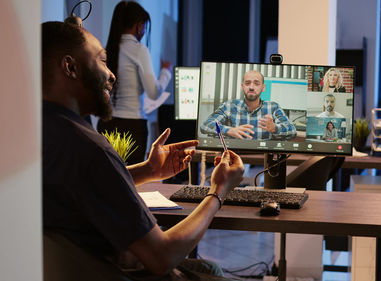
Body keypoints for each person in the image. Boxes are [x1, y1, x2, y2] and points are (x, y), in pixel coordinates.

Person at [42, 21, 245, 280]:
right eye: (102, 61)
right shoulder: (91, 150)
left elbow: (81, 186)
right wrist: (219, 191)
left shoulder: (38, 135)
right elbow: (162, 256)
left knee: (208, 269)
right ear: (71, 67)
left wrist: (147, 170)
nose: (111, 74)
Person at [97, 1, 172, 165]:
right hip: (132, 126)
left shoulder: (106, 50)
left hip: (107, 124)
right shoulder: (139, 50)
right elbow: (153, 92)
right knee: (132, 180)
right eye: (144, 26)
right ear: (139, 25)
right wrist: (166, 72)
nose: (144, 31)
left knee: (107, 175)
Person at [200, 70, 297, 140]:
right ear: (242, 87)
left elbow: (292, 131)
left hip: (263, 158)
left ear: (263, 88)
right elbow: (206, 125)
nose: (251, 87)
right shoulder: (229, 106)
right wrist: (229, 130)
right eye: (247, 83)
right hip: (235, 157)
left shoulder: (273, 107)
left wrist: (275, 128)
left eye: (256, 83)